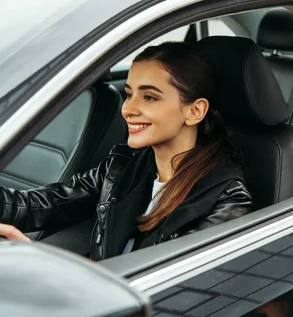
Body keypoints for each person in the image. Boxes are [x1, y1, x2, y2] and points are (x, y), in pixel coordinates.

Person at [0, 42, 252, 260]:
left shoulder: (227, 200)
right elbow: (48, 204)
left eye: (149, 97)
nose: (128, 109)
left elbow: (169, 289)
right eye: (129, 94)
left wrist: (45, 268)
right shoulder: (123, 164)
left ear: (194, 111)